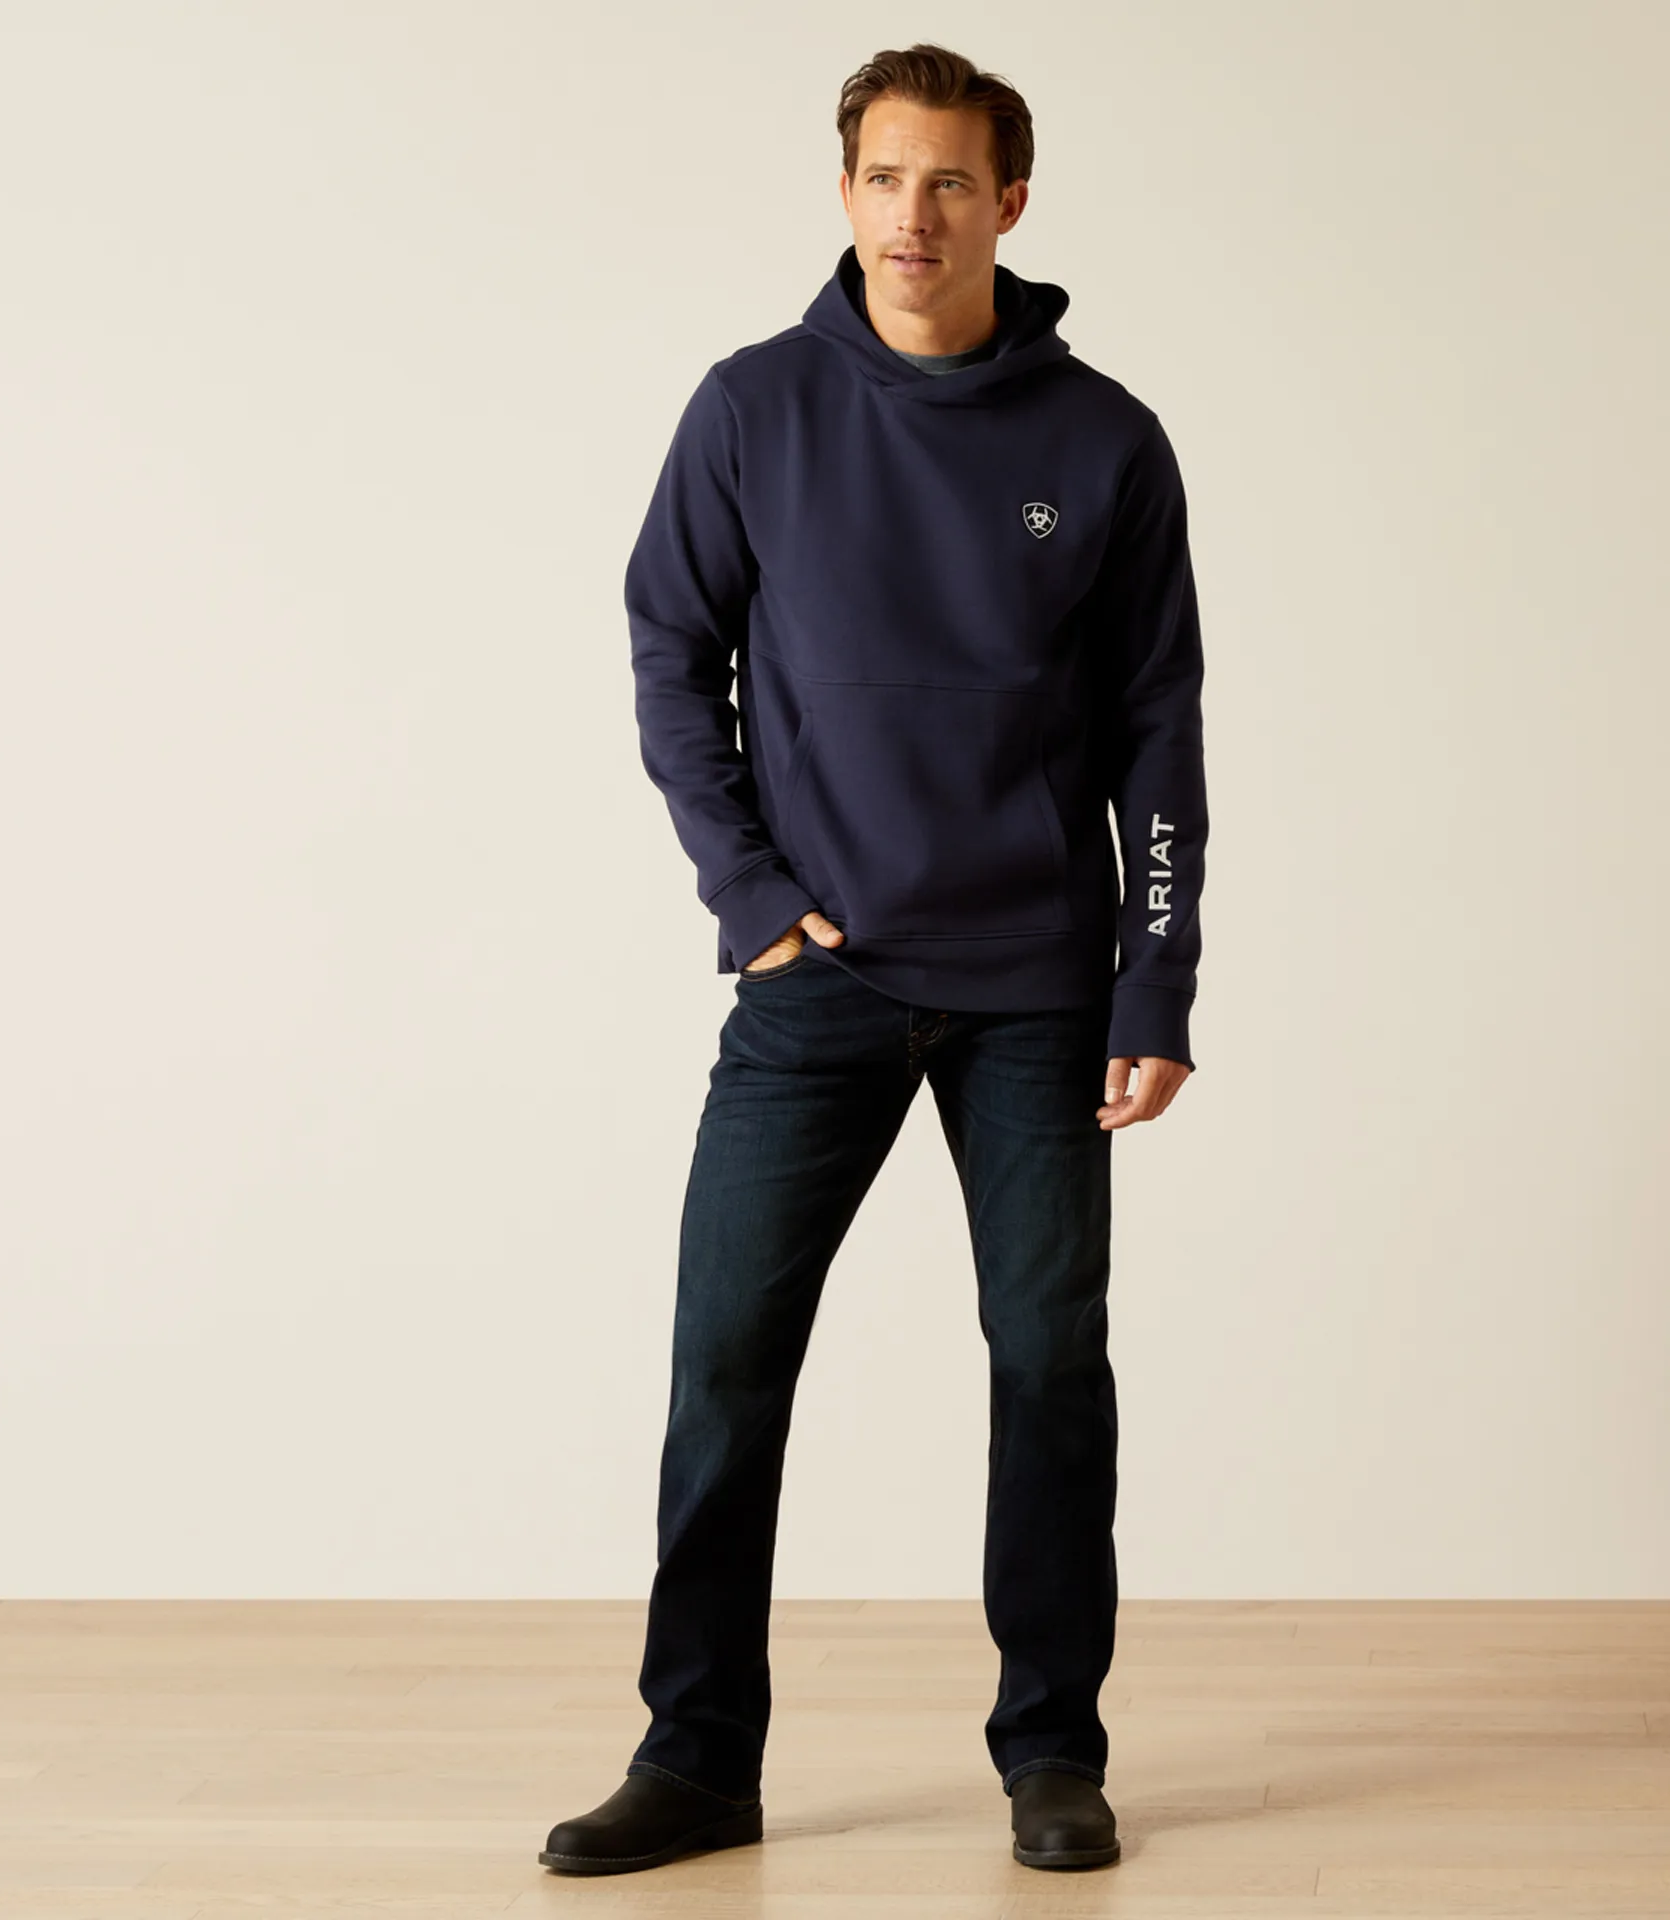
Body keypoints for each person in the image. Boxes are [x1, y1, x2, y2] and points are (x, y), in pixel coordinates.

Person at [540, 40, 1206, 1880]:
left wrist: (1157, 977)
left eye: (951, 181)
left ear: (1010, 202)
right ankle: (696, 1760)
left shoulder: (1106, 441)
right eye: (885, 178)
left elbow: (1158, 725)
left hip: (1040, 985)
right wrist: (748, 895)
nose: (915, 214)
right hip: (816, 980)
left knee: (1049, 1366)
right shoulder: (752, 410)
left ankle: (1052, 1752)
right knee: (726, 1362)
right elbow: (670, 650)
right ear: (844, 194)